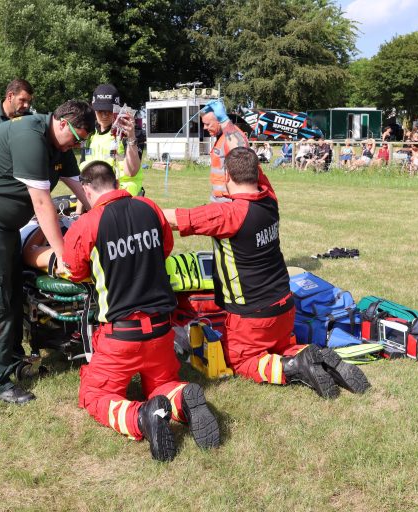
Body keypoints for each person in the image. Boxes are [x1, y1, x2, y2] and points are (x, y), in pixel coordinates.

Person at [163, 147, 370, 399]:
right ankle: (315, 359)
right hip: (284, 307)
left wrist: (131, 210)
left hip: (251, 317)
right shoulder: (269, 199)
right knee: (283, 347)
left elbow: (173, 219)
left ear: (227, 174)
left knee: (242, 362)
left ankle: (294, 366)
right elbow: (257, 175)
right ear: (256, 172)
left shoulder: (229, 213)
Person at [62, 161, 220, 462]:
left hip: (121, 336)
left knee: (94, 396)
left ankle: (141, 416)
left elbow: (76, 271)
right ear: (116, 181)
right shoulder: (150, 207)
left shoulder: (87, 224)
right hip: (162, 332)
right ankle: (181, 399)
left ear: (86, 189)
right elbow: (165, 248)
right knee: (162, 383)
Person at [0, 100, 95, 405]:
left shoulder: (61, 147)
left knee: (13, 295)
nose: (77, 147)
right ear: (62, 123)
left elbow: (83, 190)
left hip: (3, 225)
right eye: (77, 139)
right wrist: (65, 256)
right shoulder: (31, 136)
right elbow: (42, 204)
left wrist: (109, 215)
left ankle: (14, 363)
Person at [80, 84, 144, 196]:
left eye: (109, 110)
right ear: (93, 109)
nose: (104, 115)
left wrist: (131, 137)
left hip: (126, 199)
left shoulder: (130, 131)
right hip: (97, 200)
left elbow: (132, 171)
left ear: (117, 109)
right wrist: (79, 211)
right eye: (100, 110)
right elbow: (84, 177)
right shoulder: (89, 133)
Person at [200, 99, 249, 202]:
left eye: (208, 124)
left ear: (219, 121)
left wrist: (224, 119)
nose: (204, 128)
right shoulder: (220, 137)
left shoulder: (232, 135)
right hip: (218, 199)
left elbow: (242, 153)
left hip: (229, 201)